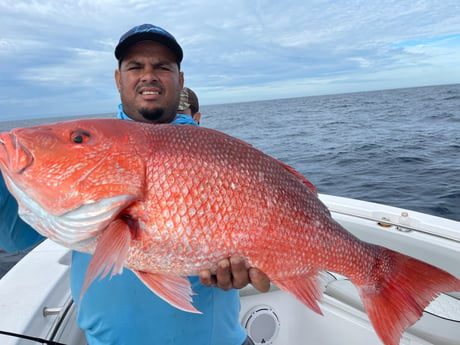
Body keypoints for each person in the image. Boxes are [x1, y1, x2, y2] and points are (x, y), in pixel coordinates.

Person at [0, 23, 270, 345]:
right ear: (118, 80)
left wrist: (260, 266)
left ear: (180, 81)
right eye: (135, 66)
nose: (148, 75)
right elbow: (12, 234)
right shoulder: (92, 149)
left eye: (162, 67)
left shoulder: (216, 153)